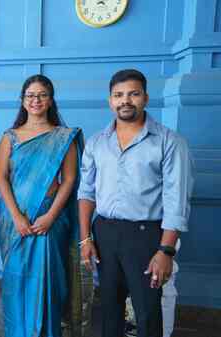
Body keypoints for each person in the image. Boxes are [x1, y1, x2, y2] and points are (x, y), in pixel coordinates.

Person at [78, 69, 193, 337]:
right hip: (104, 233)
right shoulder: (97, 143)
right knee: (108, 309)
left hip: (146, 235)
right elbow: (86, 192)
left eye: (133, 94)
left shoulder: (169, 142)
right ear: (110, 101)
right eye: (118, 95)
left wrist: (166, 251)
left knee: (147, 312)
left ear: (145, 98)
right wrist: (86, 239)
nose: (125, 100)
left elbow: (177, 200)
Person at [0, 75, 83, 337]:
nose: (36, 100)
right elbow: (1, 177)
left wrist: (50, 216)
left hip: (48, 219)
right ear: (22, 101)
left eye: (42, 95)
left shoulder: (63, 136)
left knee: (47, 282)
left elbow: (69, 180)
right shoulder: (10, 137)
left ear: (51, 100)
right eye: (30, 95)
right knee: (17, 281)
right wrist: (17, 217)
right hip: (16, 220)